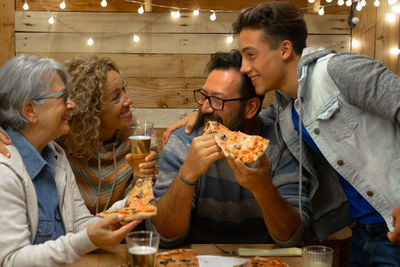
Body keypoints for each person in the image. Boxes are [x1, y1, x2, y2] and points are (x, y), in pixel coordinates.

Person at [165, 2, 400, 265]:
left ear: (285, 49)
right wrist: (204, 114)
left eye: (251, 55)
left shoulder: (339, 70)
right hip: (365, 230)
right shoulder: (285, 110)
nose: (243, 67)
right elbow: (245, 119)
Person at [148, 50, 311, 247]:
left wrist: (263, 188)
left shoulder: (281, 144)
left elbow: (292, 237)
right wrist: (187, 174)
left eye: (217, 100)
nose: (205, 108)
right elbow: (164, 235)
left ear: (251, 107)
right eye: (203, 96)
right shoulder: (183, 141)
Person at [0, 54, 140, 266]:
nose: (73, 105)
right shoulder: (5, 169)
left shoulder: (56, 155)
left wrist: (133, 203)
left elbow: (79, 224)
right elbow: (11, 260)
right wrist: (86, 240)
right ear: (30, 111)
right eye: (63, 98)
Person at [0, 56, 157, 215]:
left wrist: (143, 181)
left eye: (124, 89)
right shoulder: (59, 145)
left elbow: (84, 225)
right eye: (116, 97)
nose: (129, 100)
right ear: (91, 109)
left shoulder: (140, 142)